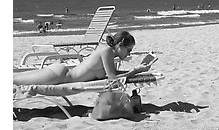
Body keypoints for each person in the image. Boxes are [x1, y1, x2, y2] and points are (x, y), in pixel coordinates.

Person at [13, 31, 151, 86]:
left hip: (61, 72)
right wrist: (135, 71)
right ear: (120, 45)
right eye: (128, 50)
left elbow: (113, 75)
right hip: (58, 76)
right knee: (14, 81)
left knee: (15, 78)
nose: (129, 54)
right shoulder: (107, 52)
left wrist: (138, 70)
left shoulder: (107, 50)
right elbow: (113, 79)